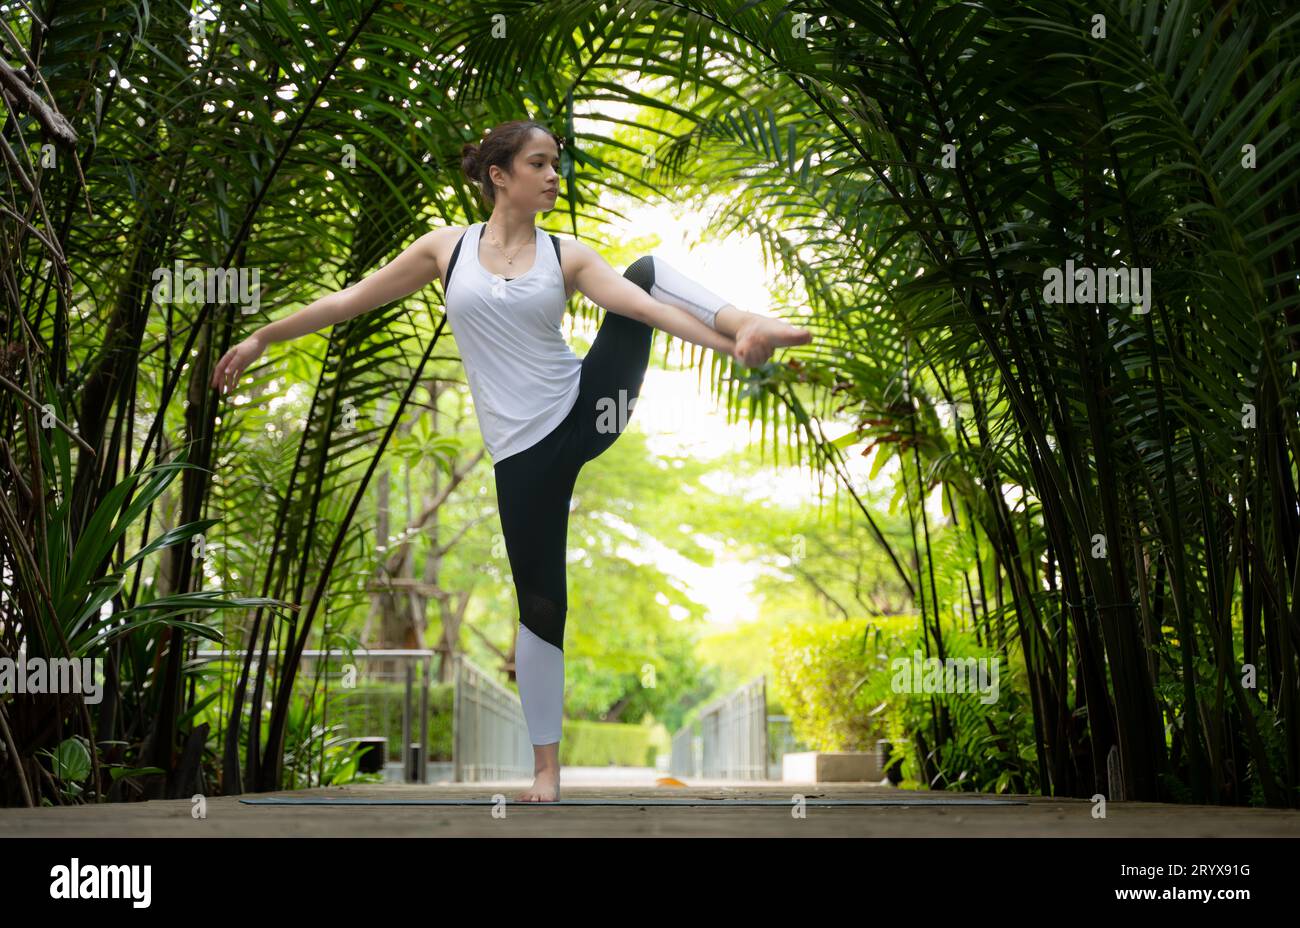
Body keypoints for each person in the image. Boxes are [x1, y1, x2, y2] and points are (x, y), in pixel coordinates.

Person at [212, 119, 812, 802]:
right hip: (522, 453)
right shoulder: (446, 249)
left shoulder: (569, 255)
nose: (555, 175)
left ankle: (748, 319)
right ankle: (545, 773)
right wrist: (262, 335)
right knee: (540, 604)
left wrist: (729, 341)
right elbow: (350, 300)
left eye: (556, 163)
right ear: (500, 175)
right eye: (541, 163)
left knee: (646, 269)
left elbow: (642, 308)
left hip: (585, 406)